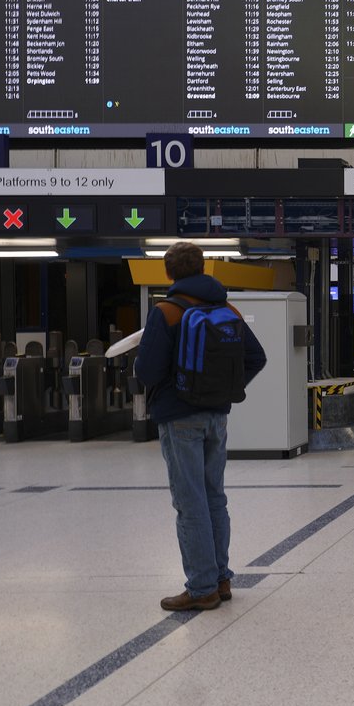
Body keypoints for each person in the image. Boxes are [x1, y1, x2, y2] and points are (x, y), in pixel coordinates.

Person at [135, 241, 266, 611]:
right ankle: (221, 578)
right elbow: (257, 357)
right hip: (217, 417)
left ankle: (201, 587)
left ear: (168, 272)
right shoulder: (227, 308)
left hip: (179, 418)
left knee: (189, 502)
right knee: (214, 498)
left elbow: (146, 372)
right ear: (203, 267)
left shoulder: (166, 311)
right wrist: (226, 388)